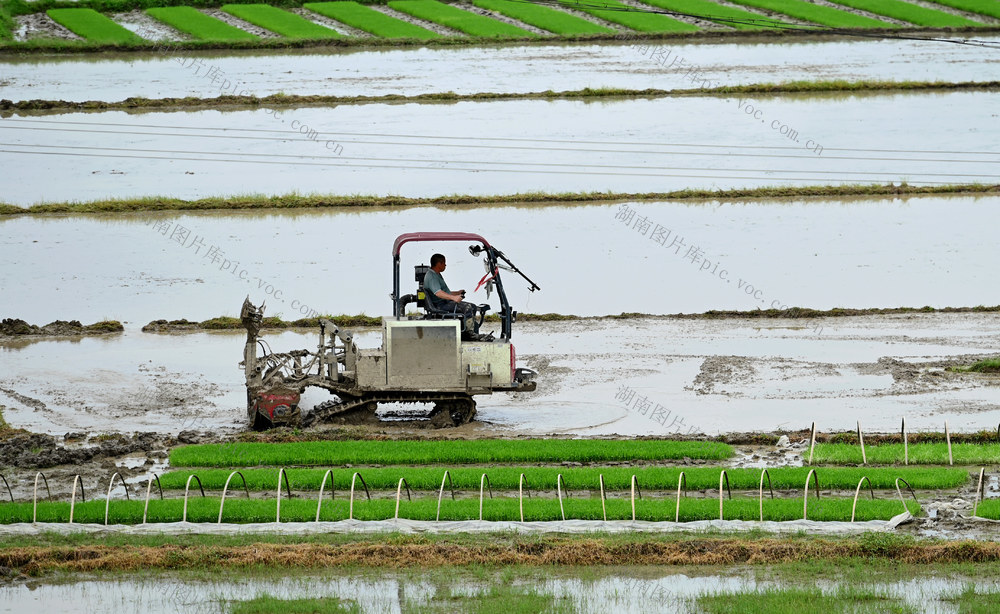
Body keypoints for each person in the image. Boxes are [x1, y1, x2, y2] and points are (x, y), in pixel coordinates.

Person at [424, 253, 484, 340]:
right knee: (467, 307)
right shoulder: (432, 276)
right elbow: (438, 293)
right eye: (444, 263)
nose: (445, 265)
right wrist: (454, 298)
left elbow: (444, 292)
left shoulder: (436, 274)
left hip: (444, 302)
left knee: (473, 307)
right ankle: (470, 335)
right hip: (440, 305)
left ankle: (468, 331)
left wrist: (457, 293)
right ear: (439, 264)